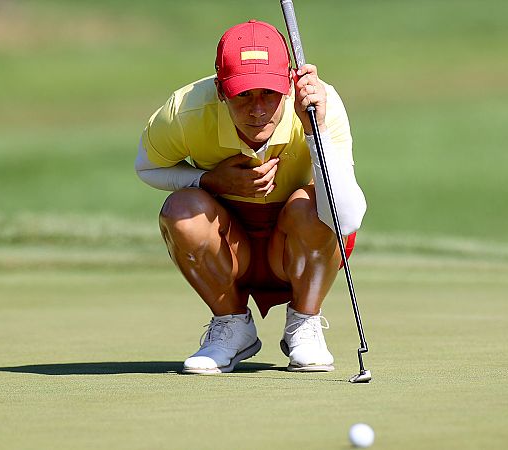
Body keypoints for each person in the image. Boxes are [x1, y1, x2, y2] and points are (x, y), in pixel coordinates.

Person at [134, 20, 366, 374]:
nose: (257, 109)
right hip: (230, 243)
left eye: (268, 93)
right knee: (181, 210)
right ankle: (232, 326)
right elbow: (147, 168)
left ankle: (305, 323)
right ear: (221, 89)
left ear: (289, 83)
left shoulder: (320, 103)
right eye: (243, 94)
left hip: (293, 245)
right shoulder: (185, 111)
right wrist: (209, 180)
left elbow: (345, 219)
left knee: (312, 205)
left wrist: (311, 128)